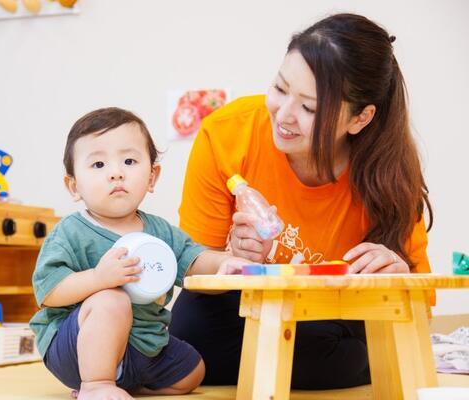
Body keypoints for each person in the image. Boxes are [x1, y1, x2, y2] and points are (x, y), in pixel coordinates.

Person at [169, 13, 433, 390]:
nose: (284, 116)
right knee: (188, 331)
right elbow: (195, 268)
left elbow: (422, 302)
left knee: (338, 346)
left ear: (360, 118)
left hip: (340, 312)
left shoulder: (388, 170)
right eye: (280, 88)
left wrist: (398, 275)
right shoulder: (227, 134)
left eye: (310, 108)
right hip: (258, 303)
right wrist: (234, 261)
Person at [29, 107, 250, 400]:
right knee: (112, 299)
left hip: (144, 347)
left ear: (152, 177)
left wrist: (224, 261)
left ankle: (128, 384)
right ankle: (96, 385)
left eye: (129, 161)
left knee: (194, 371)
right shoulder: (71, 232)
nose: (116, 172)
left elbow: (193, 259)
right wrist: (98, 278)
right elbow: (49, 291)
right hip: (78, 348)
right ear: (74, 186)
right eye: (97, 165)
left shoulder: (160, 231)